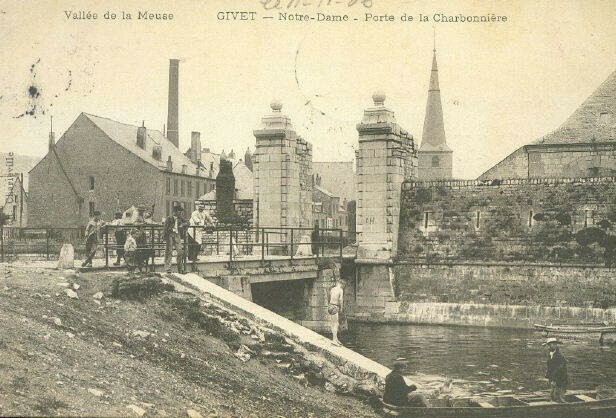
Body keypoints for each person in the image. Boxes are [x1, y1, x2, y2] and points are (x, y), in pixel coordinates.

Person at [163, 205, 188, 273]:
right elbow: (165, 228)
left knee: (180, 251)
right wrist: (165, 236)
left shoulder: (180, 218)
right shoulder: (169, 218)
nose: (181, 213)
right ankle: (168, 269)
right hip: (170, 235)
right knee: (169, 252)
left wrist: (183, 225)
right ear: (175, 212)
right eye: (179, 212)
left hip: (177, 236)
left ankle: (180, 269)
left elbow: (188, 222)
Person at [544, 337, 568, 403]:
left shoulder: (559, 356)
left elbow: (559, 370)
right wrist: (547, 377)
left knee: (559, 397)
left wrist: (554, 380)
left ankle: (563, 407)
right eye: (548, 345)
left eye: (550, 345)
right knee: (552, 395)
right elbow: (549, 367)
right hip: (553, 378)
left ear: (555, 345)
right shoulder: (550, 354)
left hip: (560, 379)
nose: (548, 347)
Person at [328, 267, 344, 345]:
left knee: (332, 323)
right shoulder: (340, 290)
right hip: (335, 307)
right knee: (336, 324)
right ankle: (334, 340)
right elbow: (340, 300)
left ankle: (336, 339)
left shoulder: (332, 289)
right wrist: (341, 308)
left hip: (330, 306)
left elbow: (329, 297)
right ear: (340, 284)